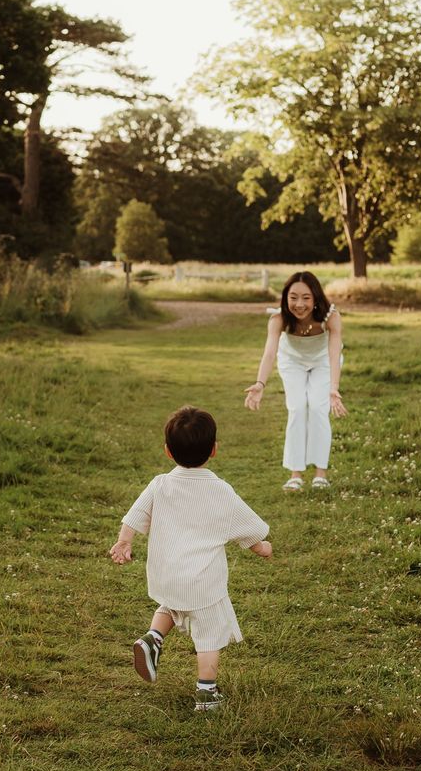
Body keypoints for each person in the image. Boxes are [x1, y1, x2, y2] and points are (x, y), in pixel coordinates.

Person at [109, 405, 272, 712]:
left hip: (166, 575)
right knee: (209, 634)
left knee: (171, 605)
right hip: (202, 583)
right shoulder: (220, 491)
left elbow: (135, 516)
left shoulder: (161, 484)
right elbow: (248, 528)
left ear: (168, 452)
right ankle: (207, 693)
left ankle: (153, 638)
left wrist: (123, 542)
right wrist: (261, 547)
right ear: (214, 450)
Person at [244, 270, 346, 491]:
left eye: (306, 298)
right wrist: (260, 384)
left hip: (323, 362)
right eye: (293, 297)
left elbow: (334, 353)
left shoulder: (331, 317)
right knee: (297, 408)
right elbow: (270, 353)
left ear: (316, 297)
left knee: (319, 409)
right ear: (286, 298)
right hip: (292, 362)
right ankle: (295, 474)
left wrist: (333, 389)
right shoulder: (278, 318)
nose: (299, 304)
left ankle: (320, 474)